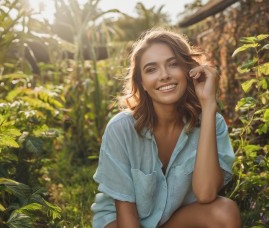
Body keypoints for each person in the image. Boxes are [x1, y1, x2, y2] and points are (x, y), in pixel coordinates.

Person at [91, 28, 241, 228]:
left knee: (225, 212)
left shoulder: (211, 122)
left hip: (171, 219)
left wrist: (208, 105)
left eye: (173, 64)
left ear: (188, 71)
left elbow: (206, 194)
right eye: (151, 69)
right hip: (121, 222)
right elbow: (125, 210)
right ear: (142, 82)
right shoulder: (121, 129)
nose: (164, 76)